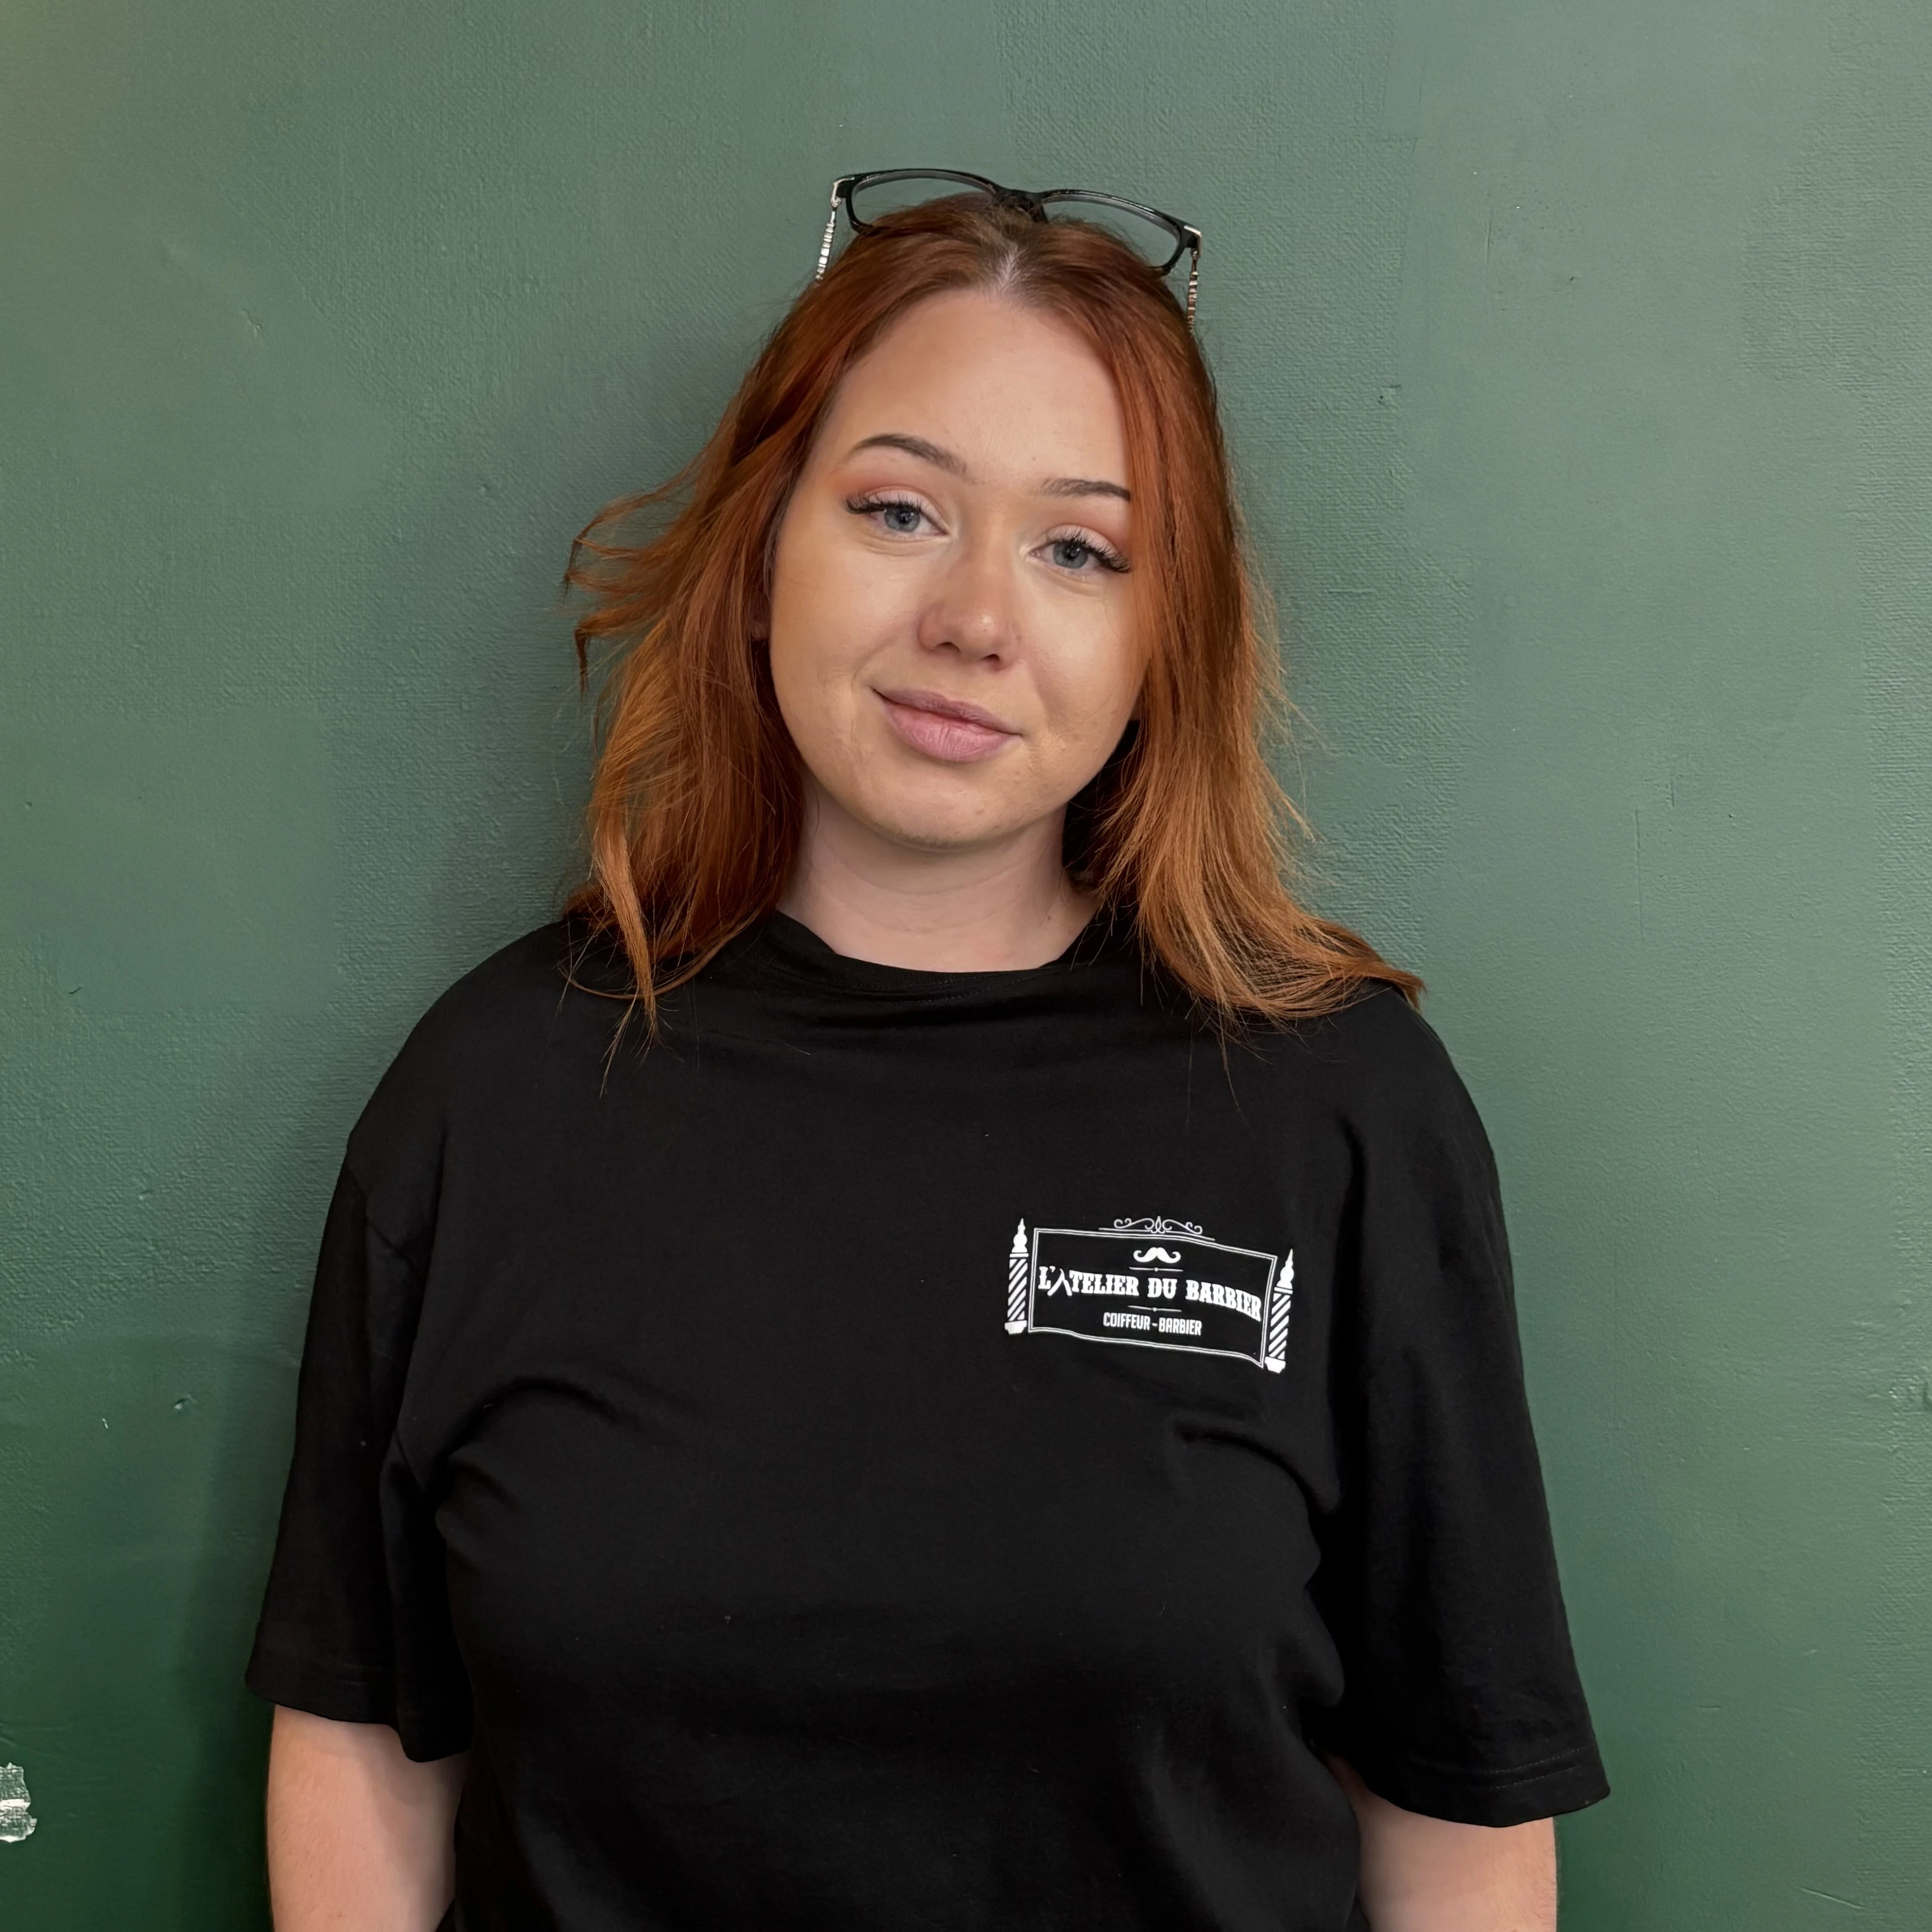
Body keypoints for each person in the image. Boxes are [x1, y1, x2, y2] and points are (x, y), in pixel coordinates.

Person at [248, 174, 1607, 1932]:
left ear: (1158, 648)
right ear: (759, 558)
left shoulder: (1338, 1112)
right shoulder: (493, 1091)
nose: (977, 615)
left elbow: (1462, 1809)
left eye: (1080, 549)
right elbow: (363, 1739)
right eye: (899, 510)